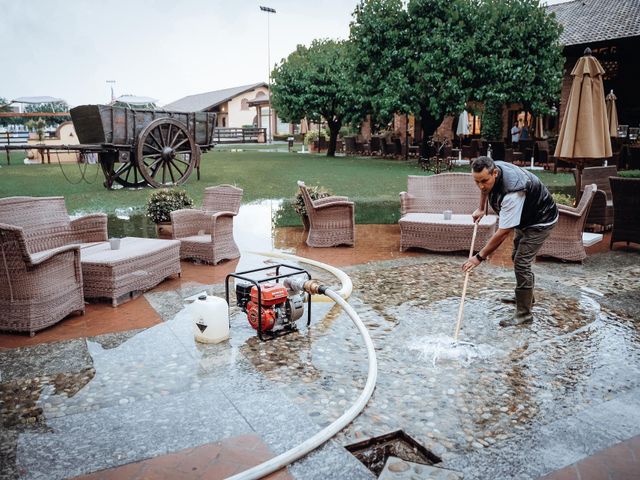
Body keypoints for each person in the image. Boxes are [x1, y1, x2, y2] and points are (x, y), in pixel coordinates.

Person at [462, 157, 558, 327]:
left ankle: (524, 315)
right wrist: (481, 208)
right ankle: (527, 297)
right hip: (525, 217)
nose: (481, 186)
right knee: (517, 256)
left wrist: (479, 257)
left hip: (541, 220)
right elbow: (484, 189)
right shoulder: (491, 171)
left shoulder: (513, 192)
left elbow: (503, 232)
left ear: (495, 173)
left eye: (484, 180)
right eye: (477, 181)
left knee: (522, 263)